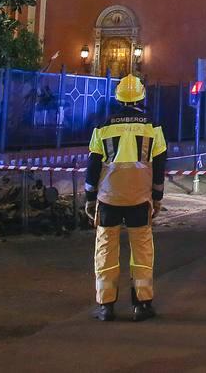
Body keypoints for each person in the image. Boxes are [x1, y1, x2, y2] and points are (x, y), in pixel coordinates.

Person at [84, 74, 167, 322]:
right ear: (142, 96)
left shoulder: (103, 125)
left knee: (106, 250)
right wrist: (158, 197)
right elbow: (160, 164)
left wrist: (89, 197)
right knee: (142, 251)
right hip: (140, 199)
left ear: (118, 97)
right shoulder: (152, 126)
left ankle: (105, 306)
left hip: (108, 198)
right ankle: (142, 305)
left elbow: (93, 164)